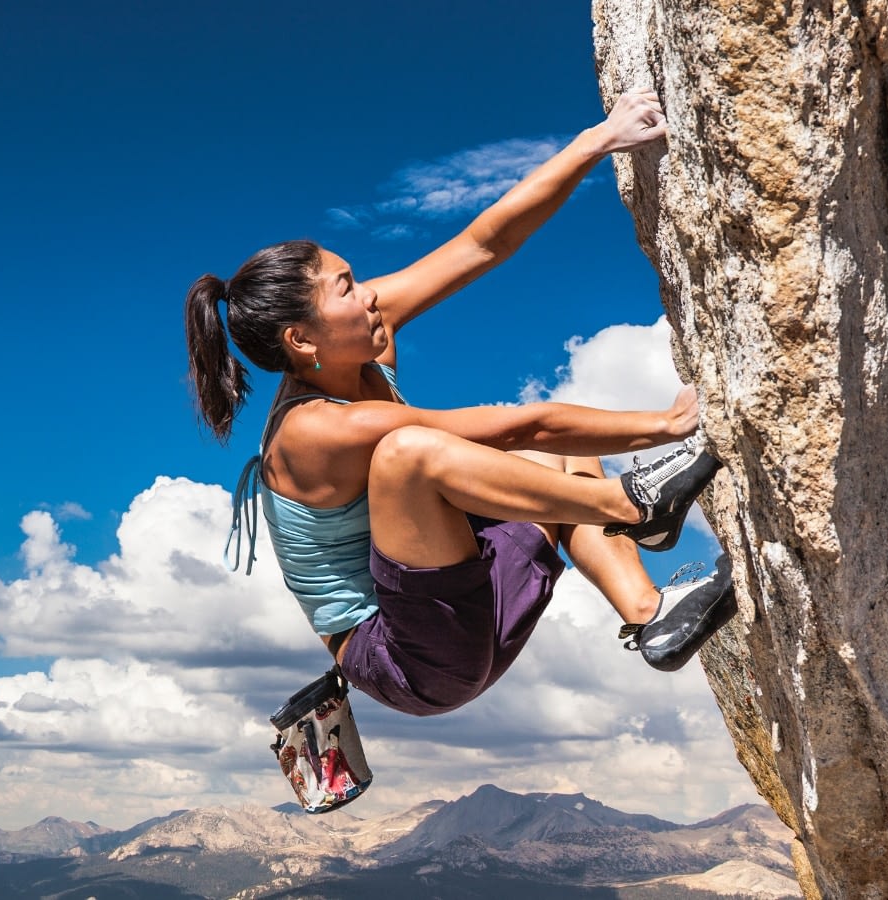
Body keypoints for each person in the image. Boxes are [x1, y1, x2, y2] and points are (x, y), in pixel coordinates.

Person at [183, 89, 736, 717]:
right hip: (409, 658)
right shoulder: (311, 433)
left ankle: (652, 615)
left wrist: (597, 141)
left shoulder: (360, 338)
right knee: (409, 454)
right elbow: (511, 427)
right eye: (346, 289)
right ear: (303, 338)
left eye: (356, 278)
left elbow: (483, 244)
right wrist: (668, 426)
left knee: (549, 458)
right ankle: (633, 506)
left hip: (464, 596)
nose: (368, 295)